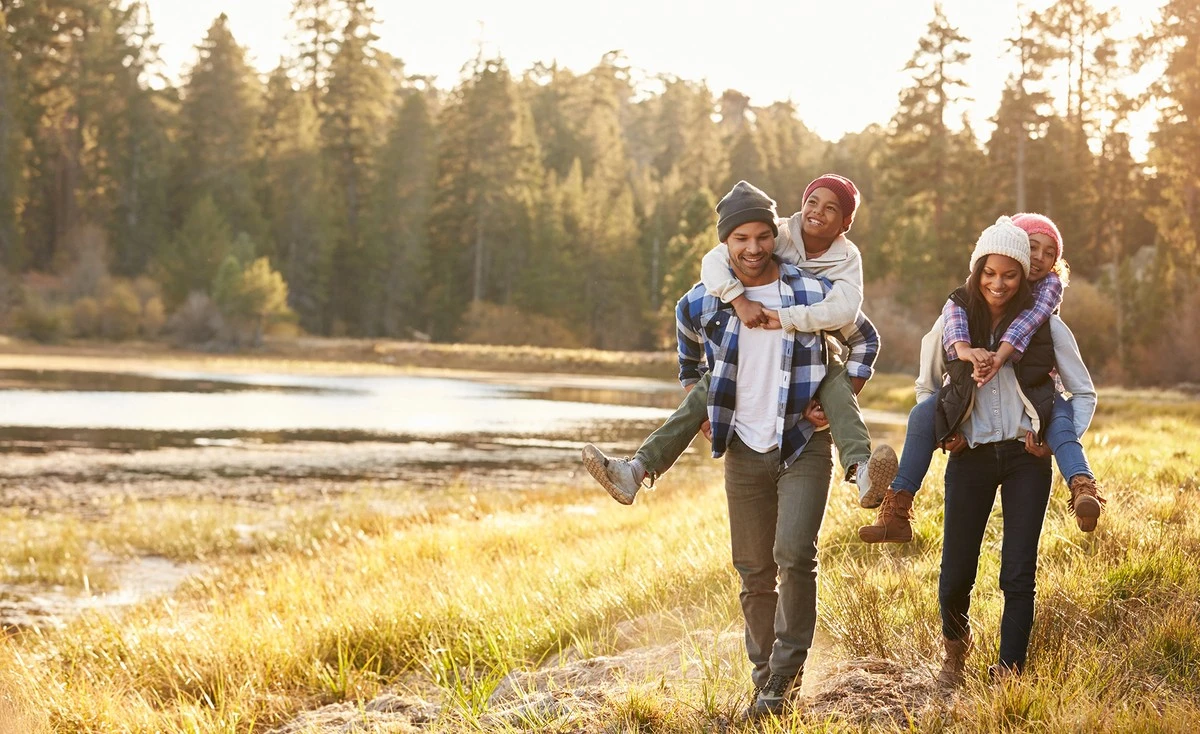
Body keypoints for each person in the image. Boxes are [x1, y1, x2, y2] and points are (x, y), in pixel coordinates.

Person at [671, 182, 881, 718]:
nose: (754, 247)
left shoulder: (809, 291)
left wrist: (839, 396)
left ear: (774, 238)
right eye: (740, 238)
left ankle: (784, 681)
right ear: (725, 244)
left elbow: (864, 336)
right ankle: (765, 679)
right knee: (752, 570)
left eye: (763, 236)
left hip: (802, 441)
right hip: (743, 445)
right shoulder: (706, 296)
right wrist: (701, 400)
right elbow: (687, 344)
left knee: (794, 555)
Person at [582, 176, 897, 512]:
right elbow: (714, 261)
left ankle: (861, 471)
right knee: (709, 386)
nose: (817, 212)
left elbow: (850, 313)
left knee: (835, 383)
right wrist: (737, 300)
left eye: (831, 208)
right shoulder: (775, 234)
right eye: (812, 202)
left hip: (816, 350)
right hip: (748, 352)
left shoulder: (845, 260)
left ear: (846, 223)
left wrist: (833, 398)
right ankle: (636, 470)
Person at [919, 217, 1098, 685]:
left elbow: (1083, 393)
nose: (998, 283)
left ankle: (1010, 671)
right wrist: (944, 433)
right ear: (978, 271)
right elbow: (926, 387)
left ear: (1023, 274)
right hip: (970, 456)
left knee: (1018, 573)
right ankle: (954, 654)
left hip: (1026, 459)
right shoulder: (954, 321)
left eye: (1011, 273)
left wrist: (1054, 440)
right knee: (956, 570)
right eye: (989, 273)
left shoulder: (1047, 328)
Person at [859, 212, 1106, 544]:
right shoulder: (960, 304)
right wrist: (949, 421)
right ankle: (897, 507)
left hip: (1037, 400)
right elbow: (934, 366)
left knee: (1060, 421)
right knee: (922, 414)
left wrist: (1000, 356)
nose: (1040, 259)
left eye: (1050, 253)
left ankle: (1082, 486)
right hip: (970, 424)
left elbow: (1029, 325)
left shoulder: (1045, 303)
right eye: (1033, 248)